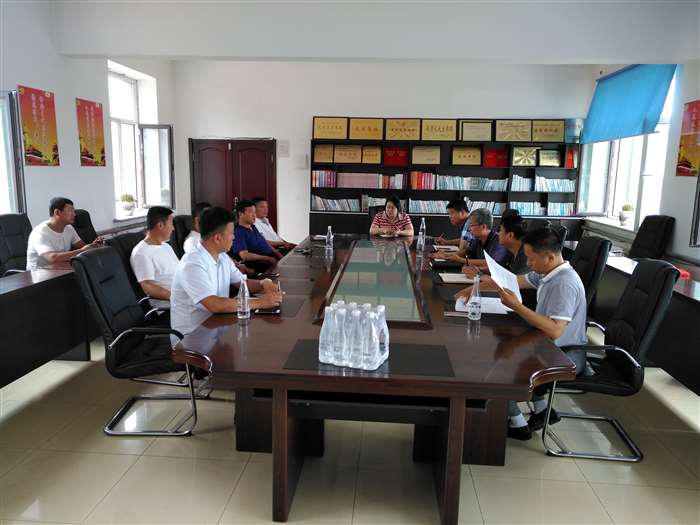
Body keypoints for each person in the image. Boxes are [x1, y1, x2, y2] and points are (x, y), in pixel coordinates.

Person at [456, 227, 588, 441]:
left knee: (494, 361)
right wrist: (476, 287)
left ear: (549, 257)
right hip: (544, 341)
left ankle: (517, 424)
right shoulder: (548, 272)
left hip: (563, 352)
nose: (528, 263)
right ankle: (542, 410)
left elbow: (555, 330)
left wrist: (517, 306)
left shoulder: (564, 283)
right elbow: (512, 281)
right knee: (501, 344)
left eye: (531, 259)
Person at [170, 206, 283, 336]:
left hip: (218, 325)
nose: (234, 237)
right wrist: (260, 303)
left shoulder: (222, 256)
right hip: (192, 336)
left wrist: (263, 283)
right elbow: (214, 304)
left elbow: (242, 283)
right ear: (217, 238)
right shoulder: (192, 264)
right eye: (231, 234)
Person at [26, 197, 102, 270]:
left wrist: (93, 245)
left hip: (61, 270)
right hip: (38, 274)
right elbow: (53, 258)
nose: (74, 214)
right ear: (57, 212)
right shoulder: (40, 233)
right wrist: (82, 250)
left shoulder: (69, 228)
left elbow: (82, 246)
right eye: (70, 211)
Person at [185, 202, 255, 276]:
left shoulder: (211, 238)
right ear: (197, 220)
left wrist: (238, 265)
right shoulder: (192, 241)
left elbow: (223, 257)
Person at [130, 206, 179, 308]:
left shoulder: (166, 246)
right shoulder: (141, 252)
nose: (173, 228)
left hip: (185, 297)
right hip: (171, 305)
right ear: (160, 225)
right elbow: (147, 286)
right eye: (171, 224)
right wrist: (177, 298)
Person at [461, 208, 529, 278]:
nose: (498, 233)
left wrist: (480, 274)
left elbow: (513, 282)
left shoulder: (525, 256)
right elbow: (498, 269)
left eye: (501, 231)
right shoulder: (511, 252)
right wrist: (478, 270)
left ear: (510, 235)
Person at [435, 208, 507, 265]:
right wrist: (446, 255)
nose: (469, 229)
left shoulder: (499, 241)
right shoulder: (478, 239)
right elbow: (467, 252)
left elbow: (491, 263)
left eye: (471, 225)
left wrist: (461, 260)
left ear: (483, 227)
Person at [233, 200, 283, 273]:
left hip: (271, 257)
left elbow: (264, 243)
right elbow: (245, 255)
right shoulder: (238, 232)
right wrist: (267, 258)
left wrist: (278, 254)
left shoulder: (253, 227)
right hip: (260, 264)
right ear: (240, 214)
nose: (254, 215)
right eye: (251, 212)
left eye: (255, 212)